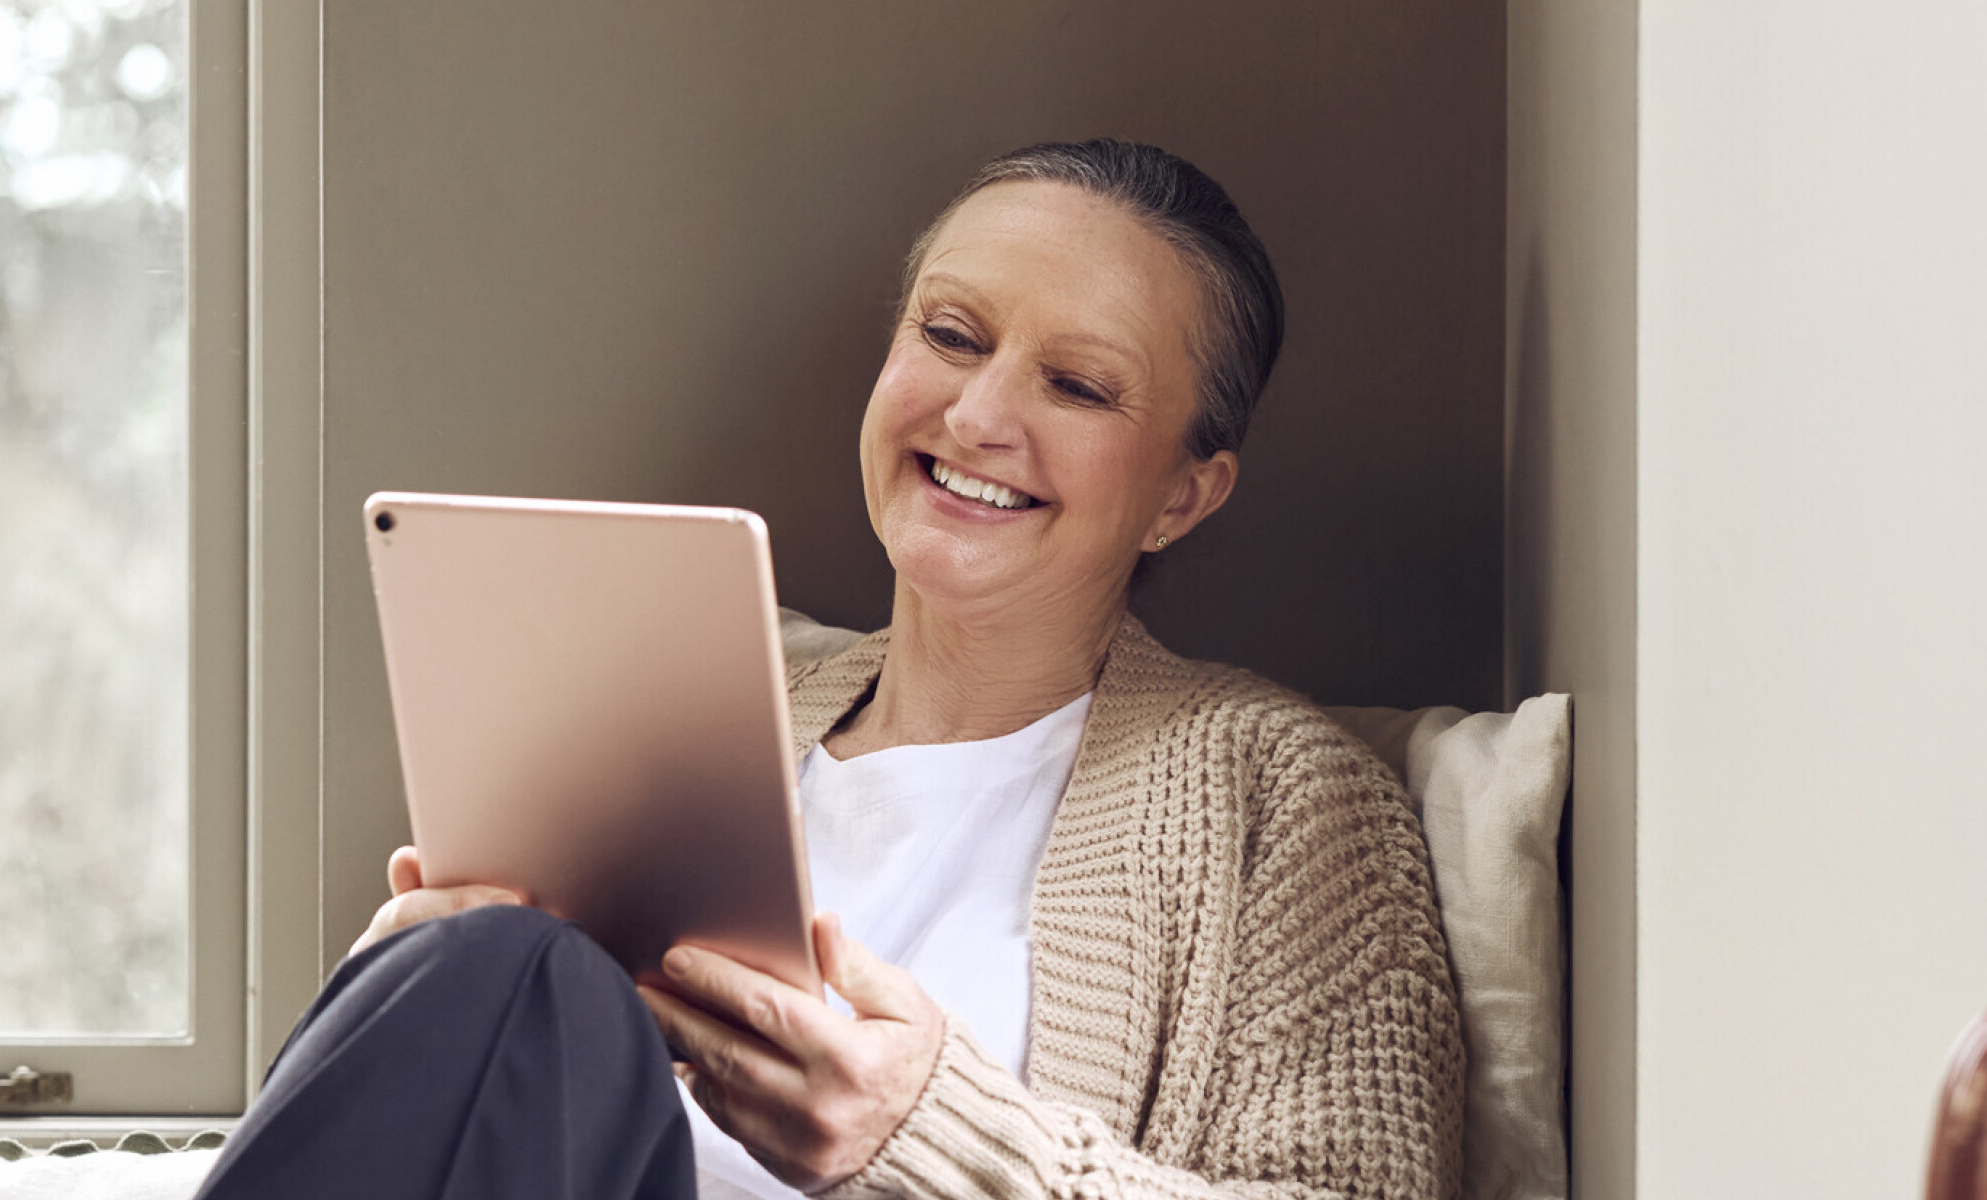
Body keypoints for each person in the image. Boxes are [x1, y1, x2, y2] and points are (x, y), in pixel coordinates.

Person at [196, 140, 1465, 1200]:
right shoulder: (669, 712)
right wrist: (424, 995)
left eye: (1076, 384)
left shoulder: (1287, 802)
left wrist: (933, 1139)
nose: (978, 418)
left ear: (1182, 496)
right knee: (490, 967)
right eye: (953, 334)